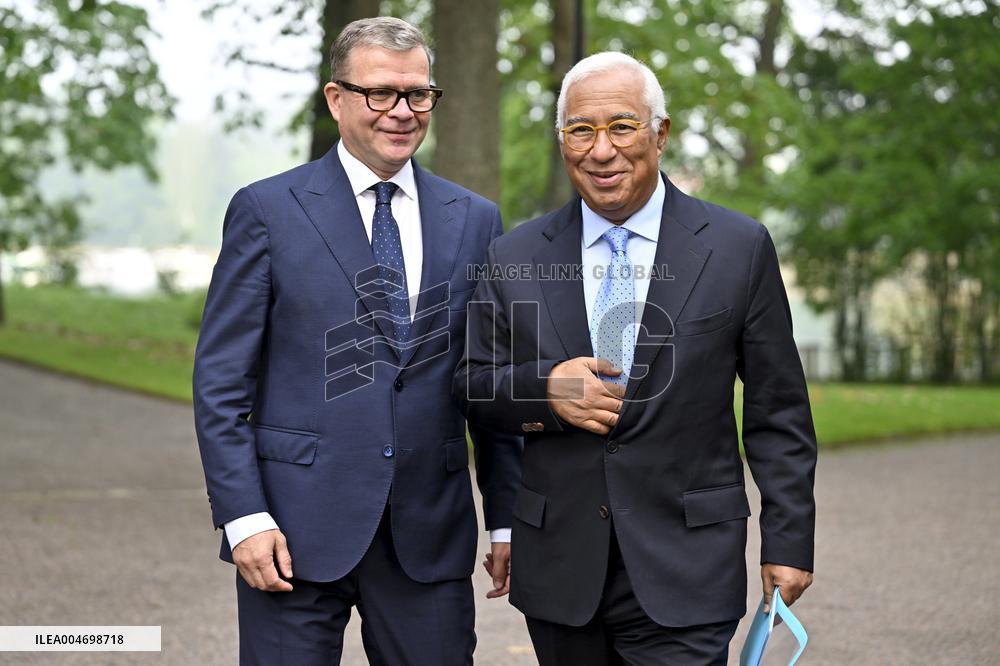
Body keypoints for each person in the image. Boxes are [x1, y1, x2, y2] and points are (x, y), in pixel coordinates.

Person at [454, 51, 817, 665]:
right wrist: (547, 392)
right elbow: (472, 385)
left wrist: (789, 540)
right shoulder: (513, 255)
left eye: (622, 126)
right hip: (562, 571)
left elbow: (778, 410)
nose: (602, 151)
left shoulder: (738, 247)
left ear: (660, 133)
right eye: (581, 130)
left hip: (689, 565)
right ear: (562, 140)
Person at [194, 17, 520, 665]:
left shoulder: (476, 219)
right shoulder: (268, 211)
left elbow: (489, 383)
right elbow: (221, 383)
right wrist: (244, 517)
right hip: (289, 535)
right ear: (336, 99)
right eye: (380, 93)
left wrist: (506, 516)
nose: (401, 111)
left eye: (417, 93)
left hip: (428, 537)